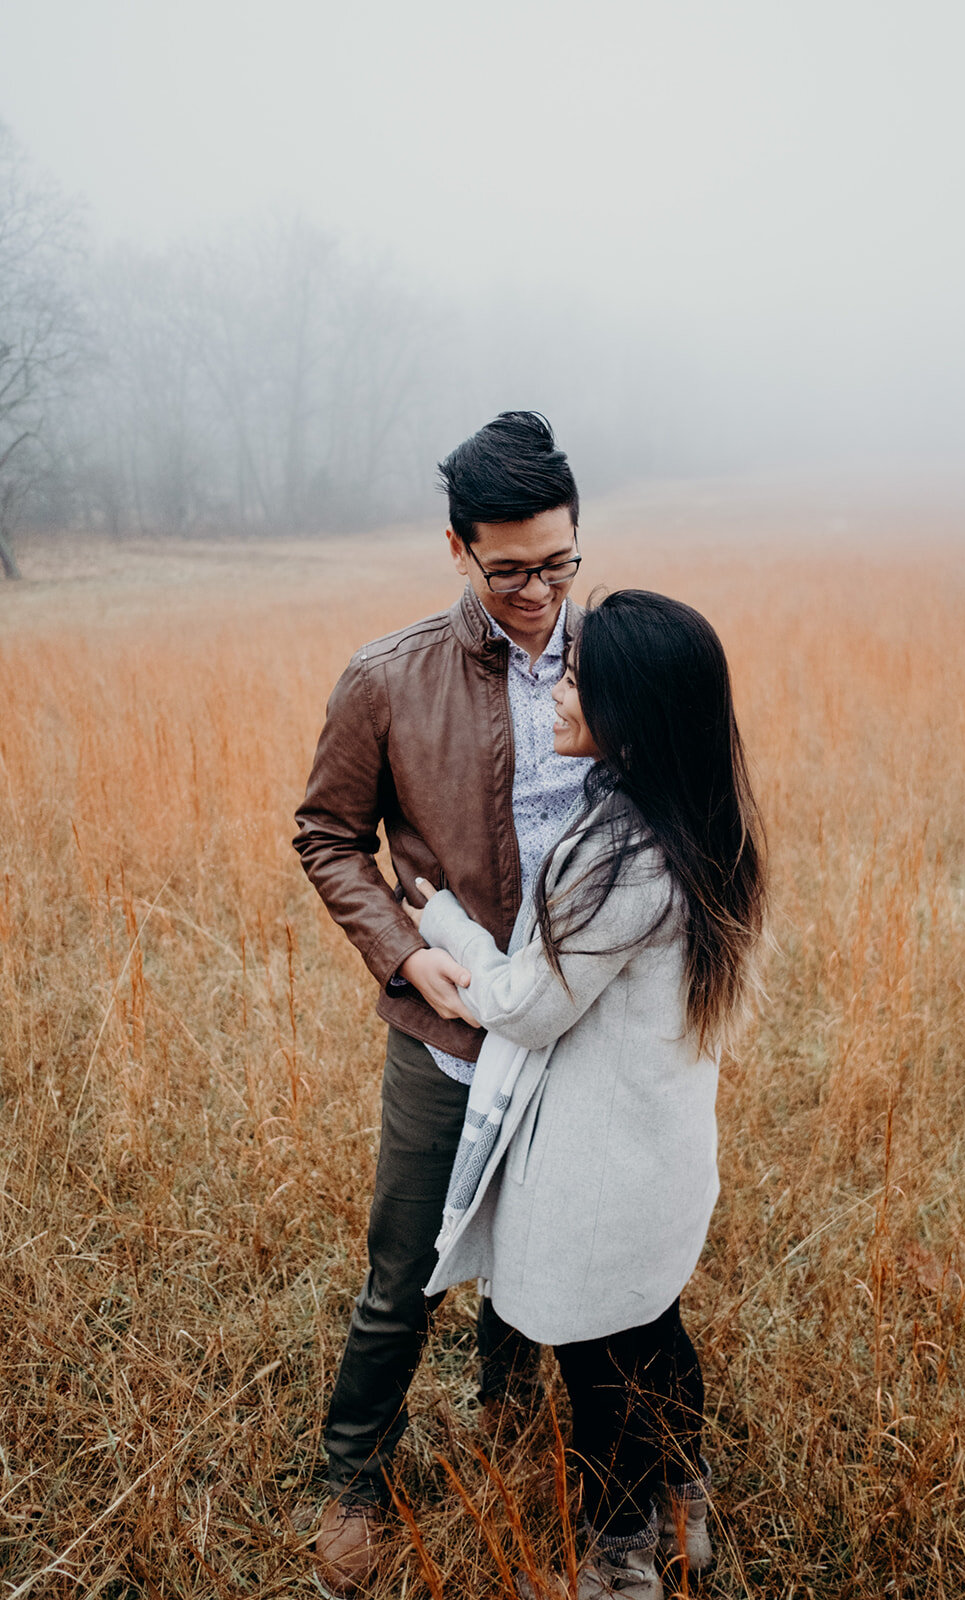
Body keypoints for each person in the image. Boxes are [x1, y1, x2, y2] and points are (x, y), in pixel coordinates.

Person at [404, 590, 766, 1600]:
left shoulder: (617, 853)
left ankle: (618, 1565)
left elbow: (524, 1007)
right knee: (652, 1327)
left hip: (601, 1172)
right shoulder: (695, 821)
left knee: (595, 1369)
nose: (556, 690)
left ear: (630, 707)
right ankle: (681, 1507)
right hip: (658, 1150)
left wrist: (444, 926)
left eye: (575, 676)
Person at [293, 412, 594, 1596]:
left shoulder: (613, 655)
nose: (536, 592)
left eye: (557, 562)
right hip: (450, 1024)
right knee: (402, 1265)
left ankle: (507, 1408)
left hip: (576, 1026)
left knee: (545, 1243)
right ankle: (349, 1478)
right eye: (508, 566)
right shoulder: (387, 675)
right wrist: (399, 957)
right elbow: (326, 833)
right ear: (457, 547)